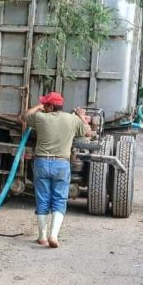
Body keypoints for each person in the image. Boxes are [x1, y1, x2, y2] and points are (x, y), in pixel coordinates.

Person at [19, 92, 93, 248]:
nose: (43, 107)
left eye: (45, 104)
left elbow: (24, 116)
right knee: (59, 200)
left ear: (50, 106)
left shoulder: (40, 118)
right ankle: (53, 235)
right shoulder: (71, 119)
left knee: (42, 199)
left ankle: (42, 237)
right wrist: (80, 116)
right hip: (61, 164)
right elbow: (88, 132)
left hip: (42, 164)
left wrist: (37, 107)